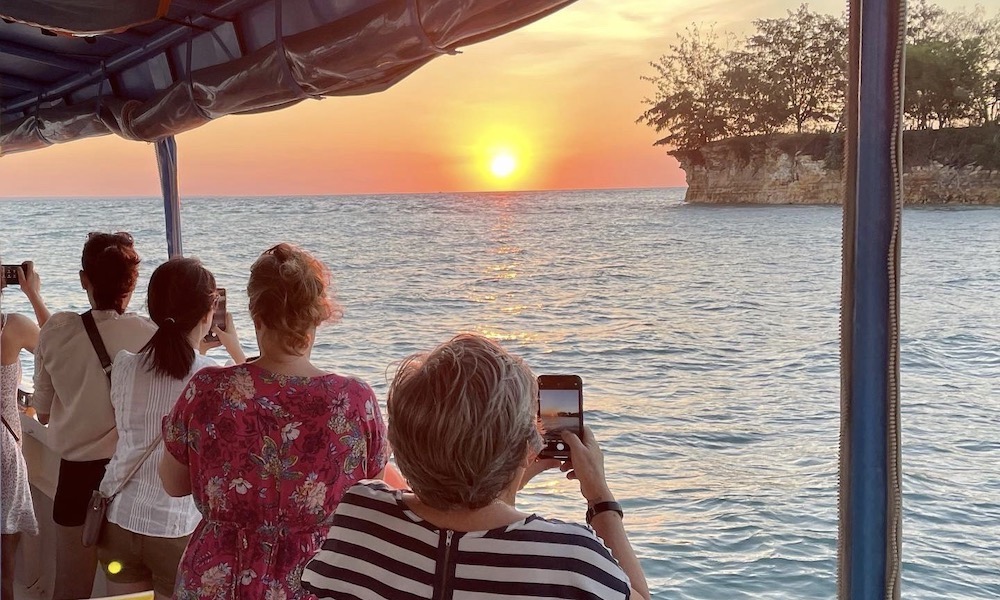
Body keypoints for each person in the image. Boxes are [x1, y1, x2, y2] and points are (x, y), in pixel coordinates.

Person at [301, 334, 652, 600]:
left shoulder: (360, 512)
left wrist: (504, 475)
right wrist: (600, 497)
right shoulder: (571, 559)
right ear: (530, 444)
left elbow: (456, 535)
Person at [160, 243, 391, 599]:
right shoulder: (355, 400)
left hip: (219, 578)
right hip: (315, 578)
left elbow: (174, 484)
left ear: (256, 314)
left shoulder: (207, 389)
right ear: (317, 316)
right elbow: (367, 494)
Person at [97, 257, 246, 599]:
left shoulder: (123, 365)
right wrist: (233, 345)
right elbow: (260, 400)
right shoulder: (213, 377)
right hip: (174, 529)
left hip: (120, 521)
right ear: (209, 312)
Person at [33, 232, 157, 600]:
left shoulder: (57, 332)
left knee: (71, 588)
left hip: (75, 480)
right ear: (132, 283)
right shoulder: (150, 337)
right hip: (130, 480)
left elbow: (41, 413)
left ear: (84, 278)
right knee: (130, 591)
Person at [1, 261, 49, 600]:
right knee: (5, 570)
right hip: (3, 449)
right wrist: (34, 294)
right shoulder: (11, 327)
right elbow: (61, 348)